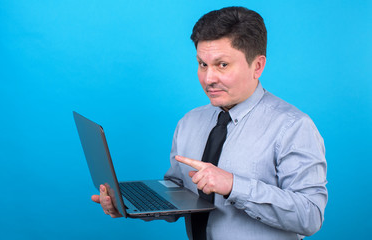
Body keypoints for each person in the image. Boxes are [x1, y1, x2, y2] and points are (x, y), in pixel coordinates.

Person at [91, 6, 327, 240]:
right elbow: (179, 190)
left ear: (257, 66)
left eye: (222, 65)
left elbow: (311, 215)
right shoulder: (190, 121)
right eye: (202, 64)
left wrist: (234, 185)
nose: (208, 78)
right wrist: (130, 205)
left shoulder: (293, 127)